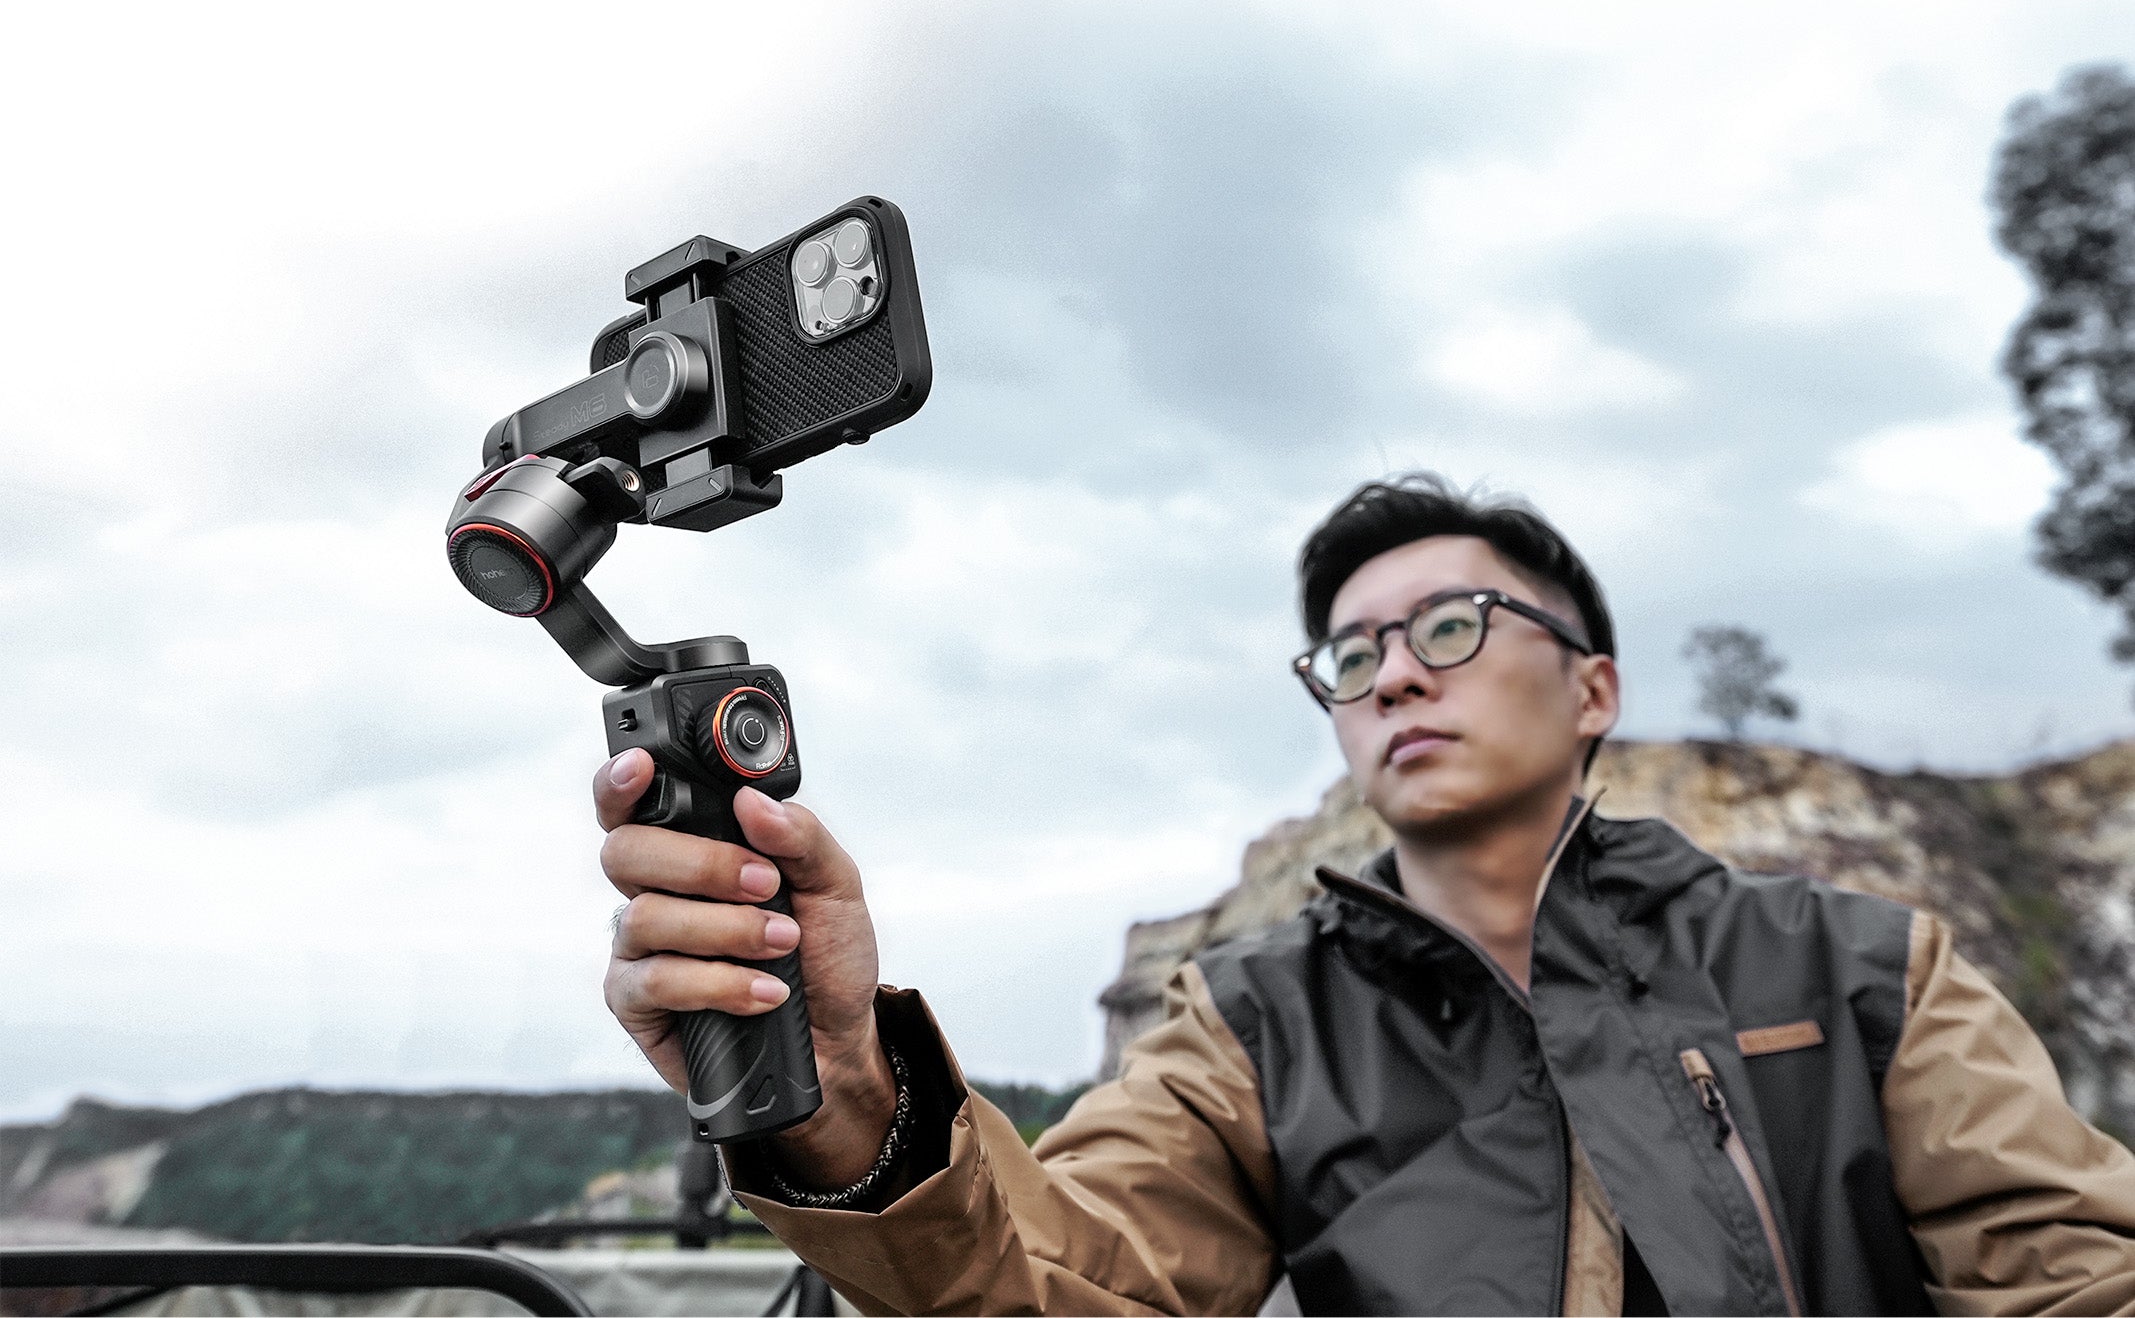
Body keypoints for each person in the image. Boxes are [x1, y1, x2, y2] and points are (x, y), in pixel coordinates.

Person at [592, 474, 2135, 1315]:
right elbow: (1066, 1285)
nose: (1392, 672)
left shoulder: (1861, 967)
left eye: (1451, 625)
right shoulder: (1254, 1025)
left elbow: (2079, 1282)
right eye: (1350, 653)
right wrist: (852, 1091)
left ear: (1593, 688)